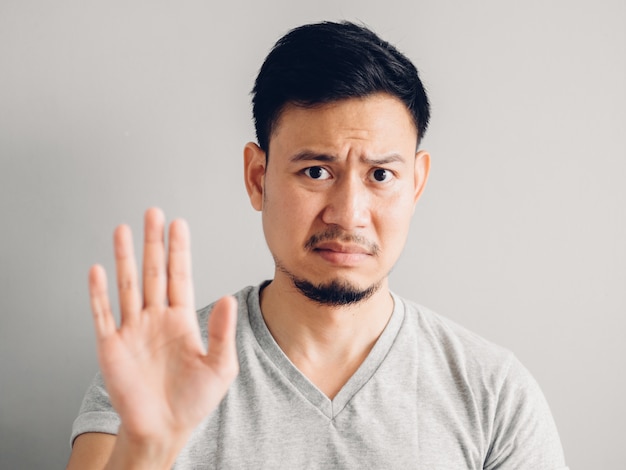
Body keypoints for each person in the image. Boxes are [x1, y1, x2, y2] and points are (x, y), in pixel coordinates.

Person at [67, 21, 568, 469]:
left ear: (415, 184)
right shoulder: (157, 373)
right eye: (316, 171)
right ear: (257, 177)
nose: (348, 212)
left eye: (380, 175)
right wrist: (147, 451)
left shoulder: (493, 392)